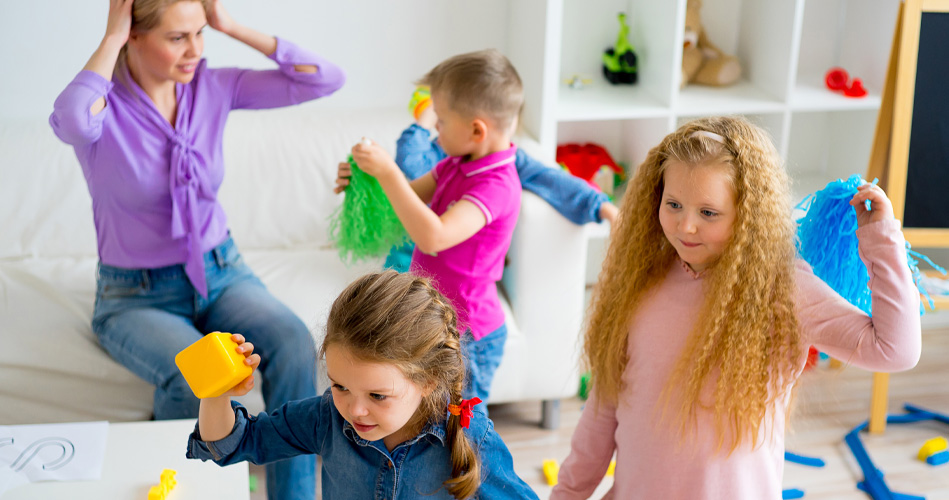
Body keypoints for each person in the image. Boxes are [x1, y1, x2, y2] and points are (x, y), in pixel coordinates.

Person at [48, 1, 344, 499]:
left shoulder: (212, 85)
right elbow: (72, 119)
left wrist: (230, 25)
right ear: (134, 38)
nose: (196, 51)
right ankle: (199, 487)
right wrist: (109, 39)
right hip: (135, 295)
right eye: (177, 38)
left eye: (201, 34)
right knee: (196, 379)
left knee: (293, 341)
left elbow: (324, 78)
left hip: (220, 270)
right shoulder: (105, 107)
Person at [550, 116, 922, 499]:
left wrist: (882, 241)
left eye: (708, 213)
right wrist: (567, 494)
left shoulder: (784, 291)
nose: (686, 226)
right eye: (673, 204)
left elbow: (896, 350)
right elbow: (602, 411)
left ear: (748, 216)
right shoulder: (640, 282)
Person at [187, 270, 540, 500]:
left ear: (429, 380)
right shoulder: (327, 417)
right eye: (340, 386)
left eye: (377, 395)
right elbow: (231, 444)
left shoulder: (469, 435)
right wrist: (216, 393)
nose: (354, 410)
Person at [336, 49, 526, 403]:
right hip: (440, 324)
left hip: (470, 337)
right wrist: (365, 181)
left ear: (476, 129)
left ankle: (482, 463)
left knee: (465, 430)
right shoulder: (457, 164)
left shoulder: (496, 185)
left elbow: (433, 236)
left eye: (440, 120)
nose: (434, 131)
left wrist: (389, 170)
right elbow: (402, 204)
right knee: (435, 422)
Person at [335, 97, 619, 272]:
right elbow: (401, 191)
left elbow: (552, 180)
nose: (437, 125)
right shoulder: (428, 153)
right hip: (404, 268)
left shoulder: (504, 162)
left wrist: (604, 208)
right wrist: (364, 181)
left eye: (443, 117)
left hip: (450, 280)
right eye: (438, 116)